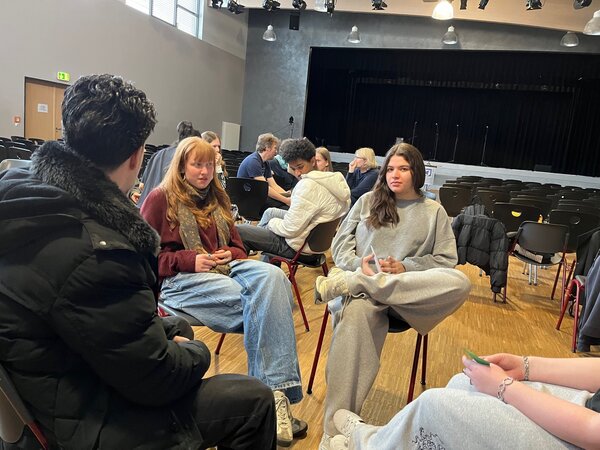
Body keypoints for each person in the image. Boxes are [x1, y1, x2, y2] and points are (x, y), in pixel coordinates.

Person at [0, 74, 276, 449]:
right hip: (84, 419)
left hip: (40, 387)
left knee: (181, 326)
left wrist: (171, 332)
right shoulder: (99, 252)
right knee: (253, 400)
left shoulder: (18, 192)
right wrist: (195, 352)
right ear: (136, 156)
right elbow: (156, 379)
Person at [140, 136, 307, 447]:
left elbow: (240, 248)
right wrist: (189, 259)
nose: (205, 171)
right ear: (181, 166)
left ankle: (267, 400)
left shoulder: (218, 198)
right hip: (180, 280)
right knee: (272, 303)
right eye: (197, 164)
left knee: (275, 278)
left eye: (209, 164)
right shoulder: (160, 199)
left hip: (226, 270)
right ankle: (274, 399)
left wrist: (229, 253)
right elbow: (146, 259)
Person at [315, 143, 471, 450]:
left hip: (405, 297)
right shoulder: (367, 202)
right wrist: (357, 265)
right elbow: (340, 246)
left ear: (417, 172)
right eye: (390, 169)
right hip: (365, 300)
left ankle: (357, 283)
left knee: (461, 283)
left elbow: (445, 261)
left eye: (403, 169)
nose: (394, 175)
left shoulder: (434, 211)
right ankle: (334, 432)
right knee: (356, 312)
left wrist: (406, 267)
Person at [328, 353, 600, 450]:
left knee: (434, 405)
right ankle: (385, 439)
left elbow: (594, 431)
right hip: (588, 407)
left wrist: (504, 386)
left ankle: (368, 443)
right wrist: (525, 365)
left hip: (588, 432)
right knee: (462, 384)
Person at [236, 137, 350, 263]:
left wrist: (272, 224)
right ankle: (266, 263)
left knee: (240, 231)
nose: (297, 173)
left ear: (313, 161)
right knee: (270, 212)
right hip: (316, 243)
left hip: (297, 247)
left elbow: (290, 230)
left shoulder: (308, 186)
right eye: (293, 168)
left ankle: (264, 265)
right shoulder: (335, 182)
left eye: (300, 167)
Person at [137, 120, 201, 206]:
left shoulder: (157, 154)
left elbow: (141, 186)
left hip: (144, 208)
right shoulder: (185, 158)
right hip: (165, 209)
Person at [237, 132, 291, 211]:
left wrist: (287, 195)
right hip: (249, 199)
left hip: (258, 196)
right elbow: (264, 188)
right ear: (267, 148)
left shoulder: (265, 163)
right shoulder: (253, 161)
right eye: (275, 148)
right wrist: (286, 200)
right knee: (284, 208)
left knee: (285, 205)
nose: (276, 152)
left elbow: (273, 185)